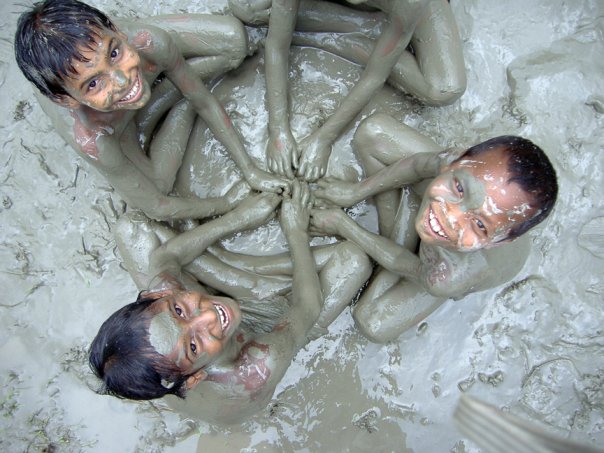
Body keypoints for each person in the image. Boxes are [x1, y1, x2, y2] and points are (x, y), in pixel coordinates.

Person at [89, 181, 371, 424]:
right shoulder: (258, 366)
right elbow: (306, 308)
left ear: (155, 296)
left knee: (131, 228)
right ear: (194, 379)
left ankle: (225, 265)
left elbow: (164, 258)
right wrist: (296, 231)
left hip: (179, 357)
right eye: (193, 345)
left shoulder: (164, 300)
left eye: (179, 310)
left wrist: (239, 218)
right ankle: (235, 271)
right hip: (263, 330)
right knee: (354, 261)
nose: (208, 317)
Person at [14, 0, 288, 222]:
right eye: (94, 83)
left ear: (116, 29)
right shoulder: (95, 139)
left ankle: (168, 88)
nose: (122, 80)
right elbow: (156, 207)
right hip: (113, 122)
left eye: (114, 53)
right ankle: (173, 96)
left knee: (235, 43)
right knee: (160, 182)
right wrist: (226, 204)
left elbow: (203, 101)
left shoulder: (148, 42)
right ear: (65, 100)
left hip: (131, 52)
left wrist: (250, 170)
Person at [311, 113, 558, 343]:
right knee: (373, 133)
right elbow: (417, 166)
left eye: (479, 224)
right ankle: (406, 219)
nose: (451, 217)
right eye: (459, 189)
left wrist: (343, 224)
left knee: (371, 323)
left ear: (497, 242)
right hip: (468, 199)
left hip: (448, 261)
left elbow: (402, 263)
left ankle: (404, 219)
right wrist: (355, 192)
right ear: (458, 157)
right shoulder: (458, 165)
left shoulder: (448, 277)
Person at [229, 0, 466, 180]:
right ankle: (371, 26)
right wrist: (278, 130)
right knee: (247, 7)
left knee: (444, 89)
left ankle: (374, 31)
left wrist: (324, 139)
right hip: (359, 12)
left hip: (406, 8)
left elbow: (375, 75)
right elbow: (277, 46)